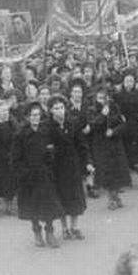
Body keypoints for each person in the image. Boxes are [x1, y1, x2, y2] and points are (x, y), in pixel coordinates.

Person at [13, 102, 64, 248]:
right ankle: (36, 232)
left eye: (38, 115)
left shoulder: (45, 131)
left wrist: (50, 154)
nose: (36, 118)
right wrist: (24, 173)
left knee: (49, 206)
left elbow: (53, 151)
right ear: (28, 117)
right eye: (33, 115)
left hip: (44, 173)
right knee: (32, 207)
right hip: (29, 175)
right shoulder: (21, 135)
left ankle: (50, 232)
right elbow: (15, 159)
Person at [47, 96, 89, 240]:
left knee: (75, 196)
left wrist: (87, 162)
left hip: (73, 165)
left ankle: (75, 226)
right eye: (56, 108)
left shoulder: (72, 123)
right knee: (62, 197)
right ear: (51, 110)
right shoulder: (47, 127)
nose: (60, 111)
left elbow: (81, 144)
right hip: (57, 167)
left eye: (62, 108)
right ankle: (64, 228)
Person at [88, 86, 130, 209]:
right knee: (107, 172)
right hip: (101, 145)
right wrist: (102, 115)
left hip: (115, 143)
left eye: (104, 97)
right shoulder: (92, 109)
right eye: (100, 98)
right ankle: (111, 197)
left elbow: (123, 124)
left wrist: (114, 131)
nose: (102, 100)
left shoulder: (114, 107)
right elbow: (93, 125)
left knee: (117, 171)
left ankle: (115, 195)